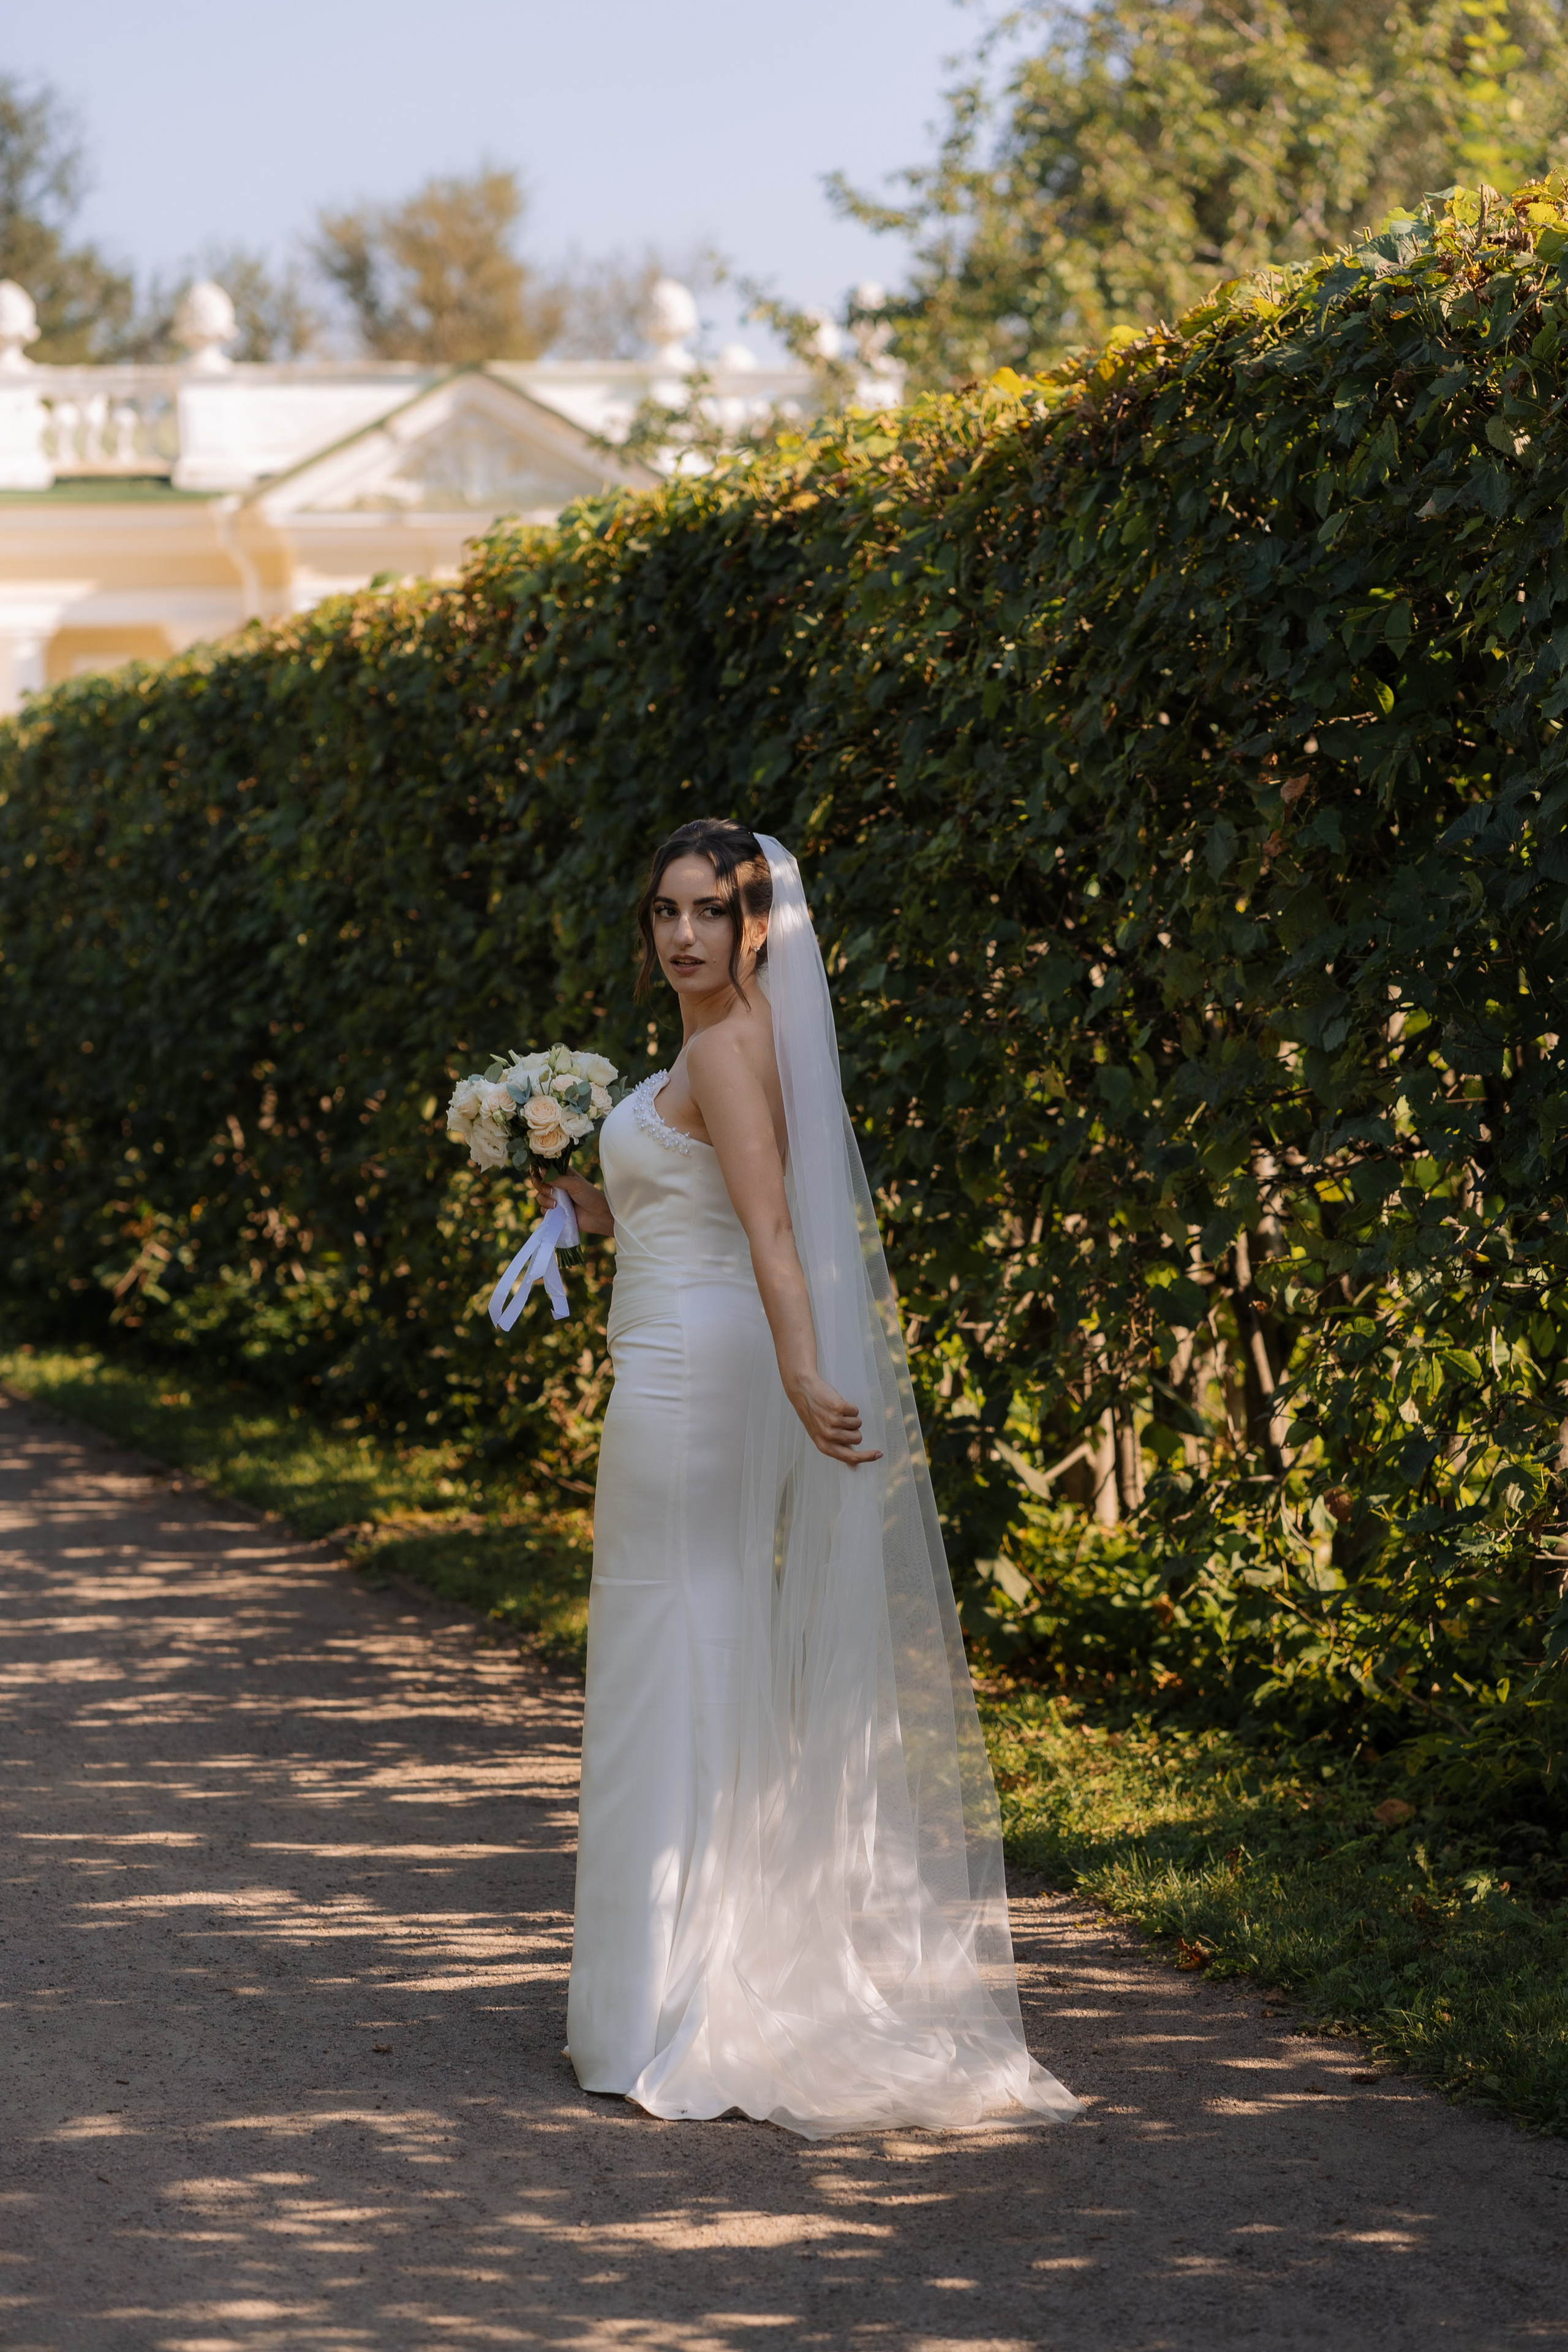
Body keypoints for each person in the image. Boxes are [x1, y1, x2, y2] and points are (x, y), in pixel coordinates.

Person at [538, 818, 1080, 2138]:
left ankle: (670, 1999)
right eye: (663, 912)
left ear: (754, 925)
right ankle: (668, 1978)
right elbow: (679, 1204)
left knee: (673, 1623)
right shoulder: (722, 1042)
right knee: (685, 1622)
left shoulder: (726, 1047)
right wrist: (553, 1166)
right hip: (683, 1342)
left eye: (706, 914)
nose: (681, 937)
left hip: (696, 1366)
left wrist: (798, 1367)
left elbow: (774, 1226)